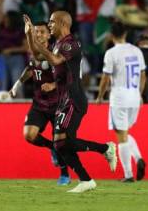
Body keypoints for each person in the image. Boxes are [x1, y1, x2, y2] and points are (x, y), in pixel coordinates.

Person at [24, 11, 117, 193]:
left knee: (61, 142)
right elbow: (37, 54)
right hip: (64, 99)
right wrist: (29, 34)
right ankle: (86, 180)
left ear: (63, 23)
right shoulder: (58, 44)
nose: (49, 25)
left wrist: (37, 42)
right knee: (61, 144)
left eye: (52, 22)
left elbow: (55, 59)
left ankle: (105, 148)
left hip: (74, 98)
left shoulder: (70, 44)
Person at [9, 21, 70, 186]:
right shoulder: (34, 53)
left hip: (57, 103)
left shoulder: (56, 52)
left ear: (49, 34)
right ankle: (51, 148)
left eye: (42, 32)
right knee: (29, 135)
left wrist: (53, 85)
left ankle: (64, 174)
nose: (38, 35)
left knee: (61, 141)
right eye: (35, 32)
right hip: (39, 104)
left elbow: (67, 76)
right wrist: (16, 85)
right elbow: (30, 69)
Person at [96, 22, 147, 182]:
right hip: (134, 97)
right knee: (125, 133)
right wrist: (139, 94)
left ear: (111, 36)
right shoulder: (136, 50)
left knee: (121, 137)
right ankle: (138, 159)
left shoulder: (111, 53)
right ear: (125, 34)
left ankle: (128, 175)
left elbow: (105, 78)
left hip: (119, 98)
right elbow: (143, 75)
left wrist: (100, 96)